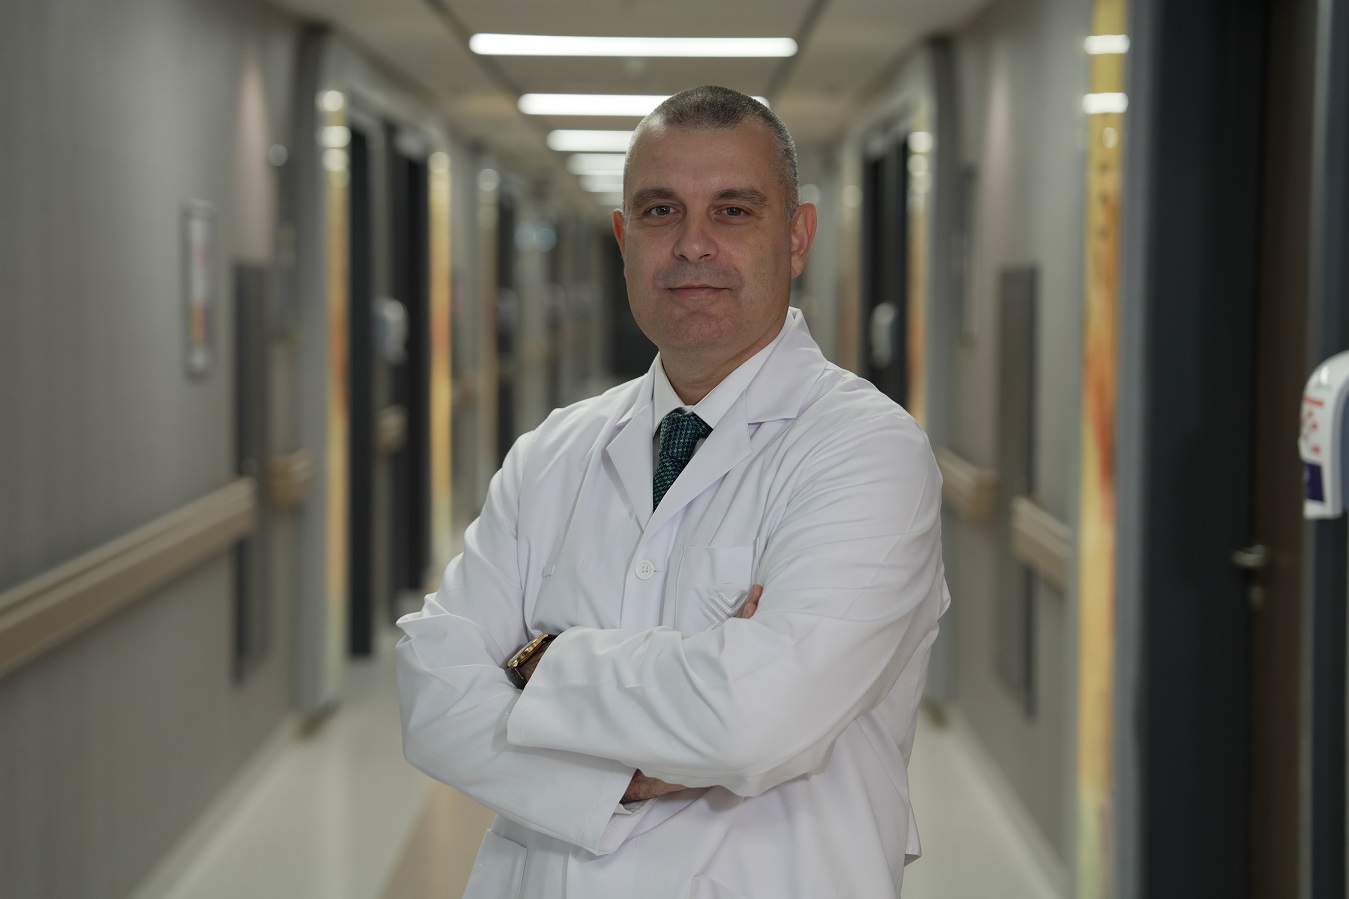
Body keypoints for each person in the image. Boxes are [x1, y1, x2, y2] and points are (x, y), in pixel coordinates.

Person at [395, 85, 949, 899]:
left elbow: (753, 718)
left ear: (796, 237)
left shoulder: (868, 451)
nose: (692, 244)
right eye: (660, 211)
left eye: (733, 211)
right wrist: (618, 773)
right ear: (624, 240)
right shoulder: (552, 451)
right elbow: (431, 692)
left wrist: (536, 659)